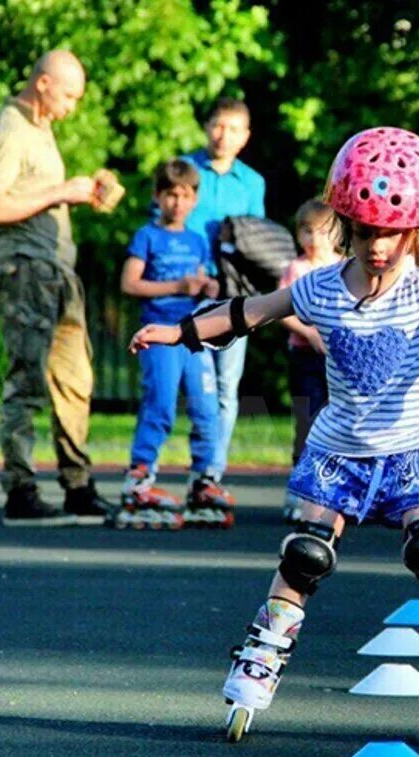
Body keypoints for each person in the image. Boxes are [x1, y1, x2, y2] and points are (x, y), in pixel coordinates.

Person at [129, 127, 419, 748]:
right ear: (345, 224)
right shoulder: (319, 288)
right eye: (364, 231)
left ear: (416, 231)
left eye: (391, 233)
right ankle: (262, 653)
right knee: (305, 555)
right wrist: (178, 331)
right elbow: (247, 313)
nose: (377, 246)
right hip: (340, 450)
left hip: (414, 448)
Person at [0, 49, 114, 527]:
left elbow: (31, 194)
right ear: (43, 85)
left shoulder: (41, 129)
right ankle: (20, 491)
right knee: (27, 380)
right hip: (27, 271)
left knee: (76, 381)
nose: (72, 107)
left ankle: (77, 485)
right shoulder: (10, 129)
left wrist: (85, 192)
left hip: (59, 273)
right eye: (69, 95)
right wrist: (61, 193)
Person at [116, 159, 230, 530]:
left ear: (195, 198)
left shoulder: (198, 240)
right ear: (157, 197)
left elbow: (204, 283)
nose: (177, 203)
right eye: (170, 195)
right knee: (161, 404)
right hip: (158, 334)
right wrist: (176, 287)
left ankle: (202, 480)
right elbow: (130, 284)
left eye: (185, 195)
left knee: (206, 408)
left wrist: (208, 289)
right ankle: (140, 479)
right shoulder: (147, 235)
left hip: (195, 334)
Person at [178, 97, 266, 504]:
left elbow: (255, 240)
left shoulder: (251, 182)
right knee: (200, 385)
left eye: (232, 129)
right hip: (191, 291)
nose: (223, 135)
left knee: (228, 385)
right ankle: (198, 465)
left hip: (232, 297)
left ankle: (212, 472)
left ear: (245, 137)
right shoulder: (184, 169)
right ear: (206, 126)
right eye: (217, 126)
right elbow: (166, 225)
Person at [276, 199, 342, 523]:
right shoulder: (297, 269)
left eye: (321, 231)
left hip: (338, 358)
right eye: (306, 231)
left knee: (340, 421)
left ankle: (336, 490)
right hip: (305, 355)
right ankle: (299, 491)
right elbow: (283, 311)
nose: (314, 238)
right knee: (309, 418)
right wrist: (311, 334)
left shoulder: (345, 267)